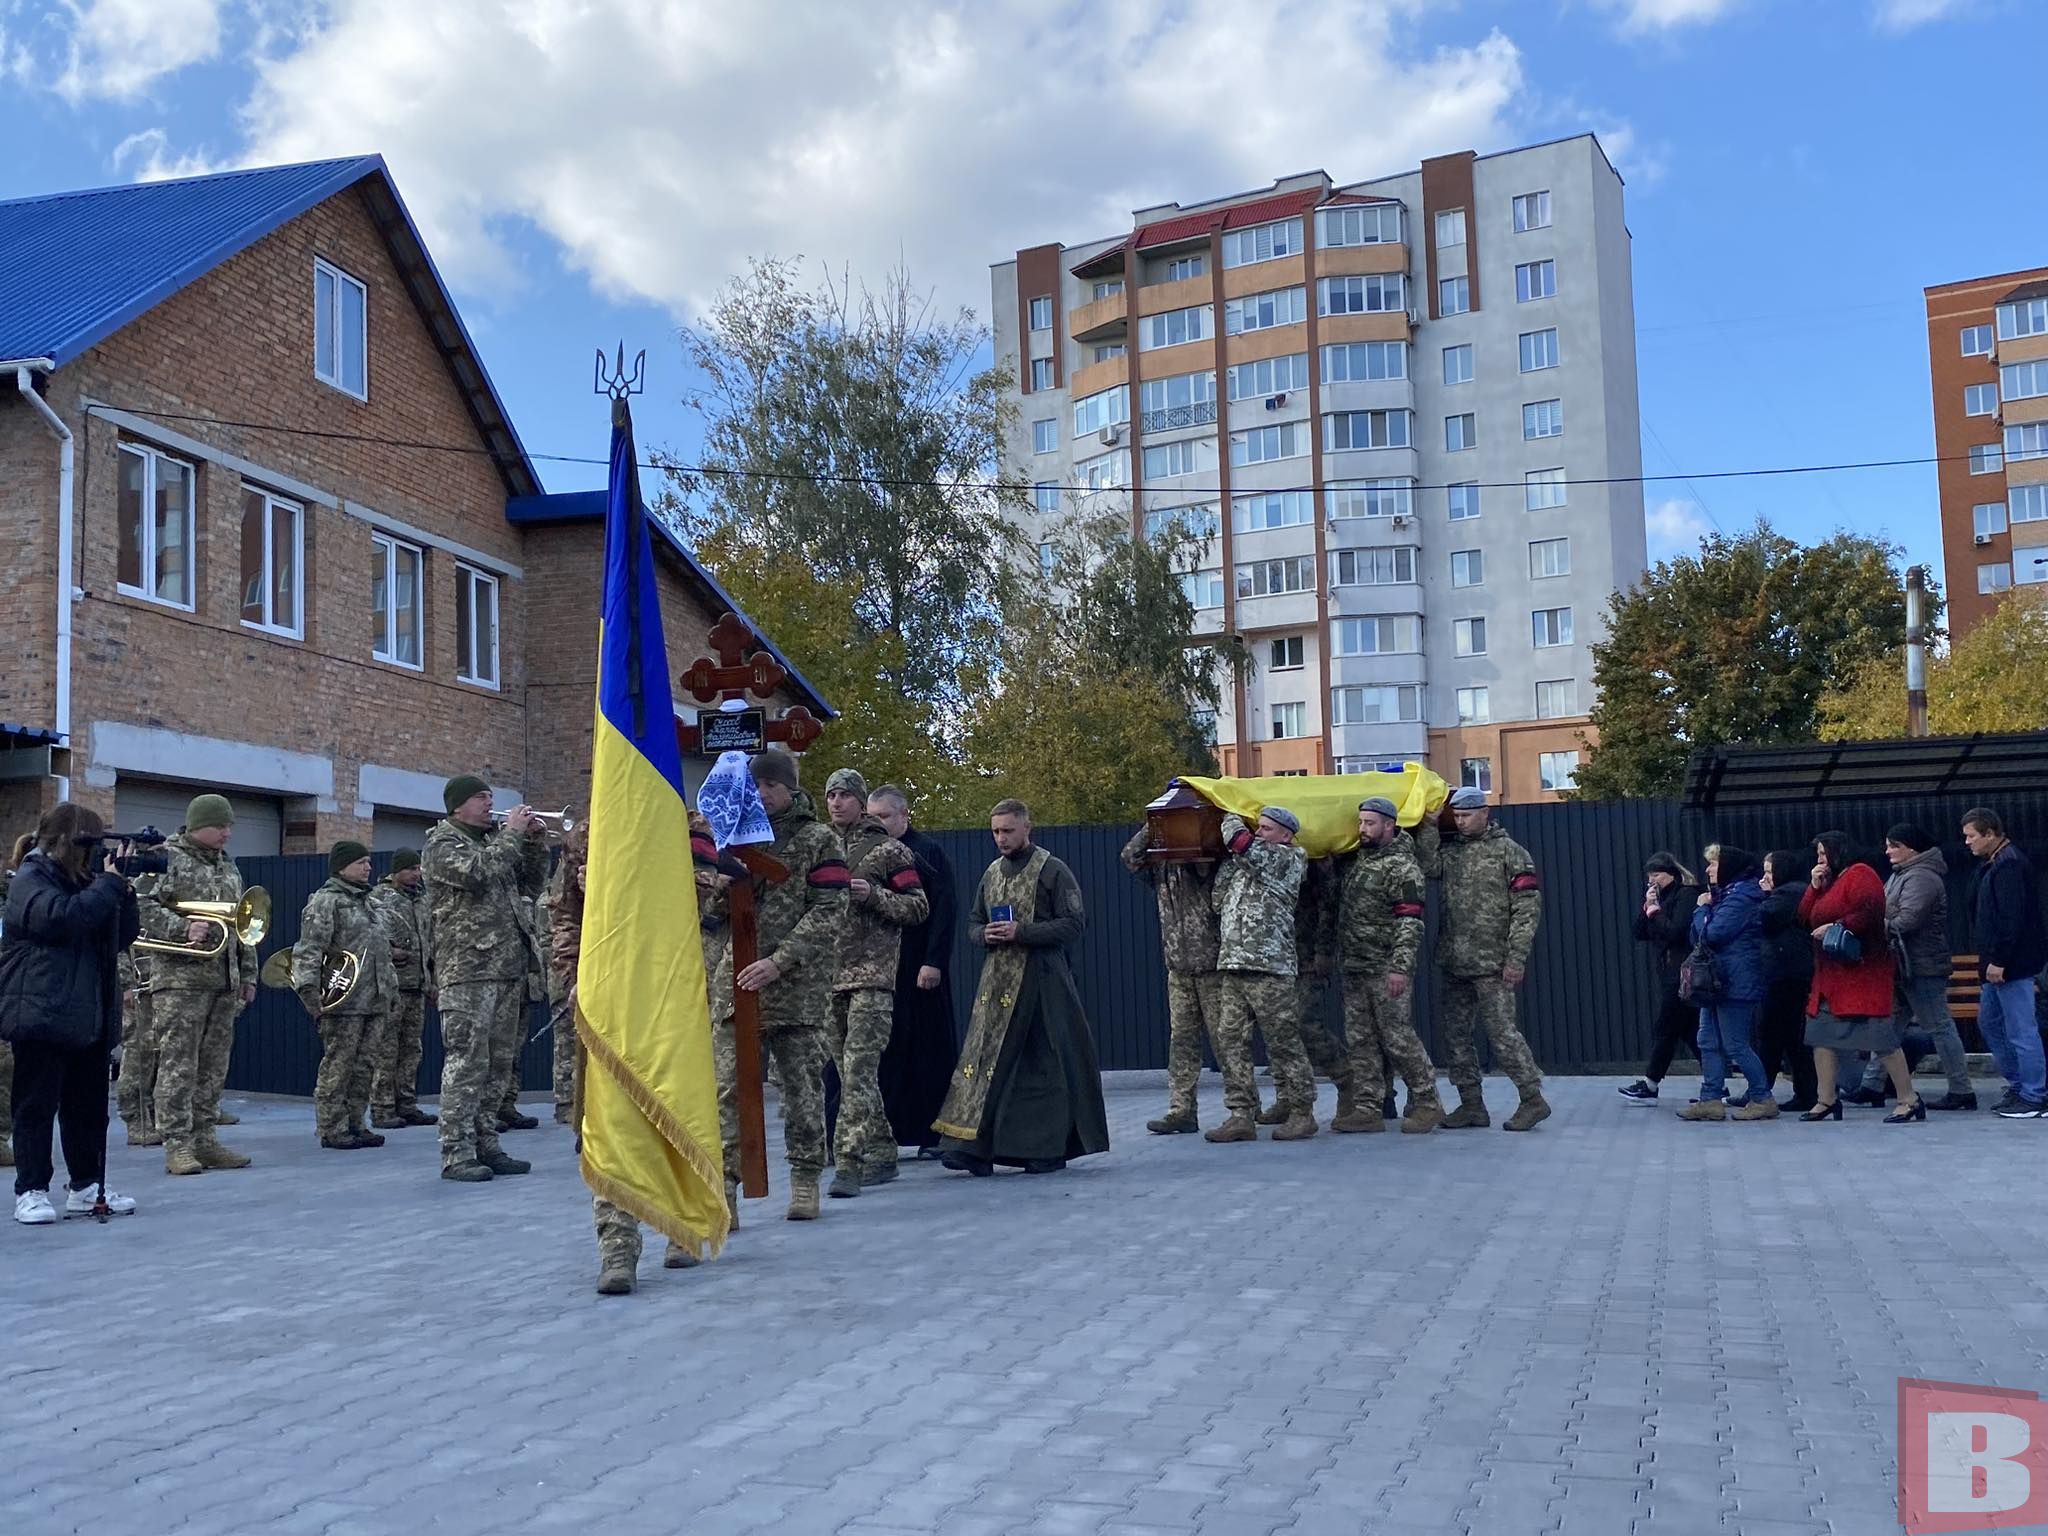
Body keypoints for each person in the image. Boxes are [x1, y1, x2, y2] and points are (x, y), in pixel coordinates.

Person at [709, 750, 846, 1221]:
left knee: (800, 1088)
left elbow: (829, 909)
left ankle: (806, 1179)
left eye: (771, 785)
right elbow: (710, 917)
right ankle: (723, 1187)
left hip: (796, 988)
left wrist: (780, 961)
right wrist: (720, 886)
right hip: (738, 981)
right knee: (726, 1088)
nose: (763, 794)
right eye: (757, 785)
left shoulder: (818, 838)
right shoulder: (731, 837)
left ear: (790, 789)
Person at [936, 799, 1108, 1174]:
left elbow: (1074, 924)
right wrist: (986, 934)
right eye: (996, 831)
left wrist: (1023, 932)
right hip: (996, 983)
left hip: (1044, 981)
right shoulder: (992, 872)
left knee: (1042, 1063)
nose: (1001, 838)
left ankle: (1043, 1149)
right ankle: (971, 1147)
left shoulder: (1052, 870)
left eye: (1008, 831)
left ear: (1027, 827)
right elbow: (972, 922)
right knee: (983, 1064)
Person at [1, 805, 142, 1224]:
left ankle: (85, 1186)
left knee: (88, 1107)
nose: (92, 854)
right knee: (35, 1105)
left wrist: (124, 893)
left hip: (88, 1011)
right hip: (40, 1010)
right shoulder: (31, 878)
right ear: (64, 842)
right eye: (88, 844)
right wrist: (108, 887)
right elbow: (63, 920)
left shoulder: (91, 883)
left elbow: (121, 937)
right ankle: (31, 1190)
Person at [425, 775, 549, 1182]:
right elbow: (478, 873)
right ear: (457, 806)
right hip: (468, 972)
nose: (488, 804)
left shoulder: (492, 841)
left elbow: (532, 884)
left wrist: (532, 842)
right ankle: (456, 1152)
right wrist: (512, 835)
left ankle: (487, 1144)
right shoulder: (442, 844)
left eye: (491, 798)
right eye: (480, 798)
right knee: (466, 1062)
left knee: (498, 1064)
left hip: (506, 968)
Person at [820, 768, 928, 1199]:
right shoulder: (820, 847)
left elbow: (918, 907)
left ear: (861, 801)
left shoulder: (889, 852)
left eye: (845, 795)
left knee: (860, 1067)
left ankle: (848, 1160)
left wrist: (874, 896)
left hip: (872, 977)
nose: (836, 802)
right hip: (829, 978)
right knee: (848, 1074)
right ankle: (883, 1150)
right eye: (830, 795)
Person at [139, 794, 259, 1175]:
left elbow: (245, 925)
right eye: (220, 826)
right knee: (179, 1064)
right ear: (197, 825)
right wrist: (182, 928)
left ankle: (205, 1139)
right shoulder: (165, 858)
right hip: (180, 982)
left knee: (213, 1065)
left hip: (222, 979)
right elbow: (140, 904)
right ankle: (177, 1144)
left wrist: (248, 974)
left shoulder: (229, 867)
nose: (227, 833)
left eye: (229, 826)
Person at [1431, 786, 1551, 1132]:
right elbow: (1427, 863)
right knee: (1454, 1035)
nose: (1462, 822)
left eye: (1467, 815)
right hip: (1455, 960)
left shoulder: (1510, 853)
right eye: (1457, 816)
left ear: (1485, 813)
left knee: (1502, 1034)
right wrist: (1428, 825)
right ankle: (1472, 1105)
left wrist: (1516, 958)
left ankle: (1532, 1099)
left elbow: (1527, 910)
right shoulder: (1451, 853)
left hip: (1493, 962)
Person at [1203, 807, 1316, 1144]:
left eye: (1267, 829)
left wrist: (1230, 813)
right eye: (1259, 827)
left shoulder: (1290, 858)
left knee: (1283, 1042)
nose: (1260, 833)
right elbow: (1217, 902)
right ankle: (1241, 1113)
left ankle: (1301, 1112)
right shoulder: (1244, 863)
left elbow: (1239, 841)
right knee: (1230, 1040)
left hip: (1271, 967)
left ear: (1286, 834)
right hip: (1234, 964)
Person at [1333, 797, 1444, 1134]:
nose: (1363, 829)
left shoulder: (1402, 867)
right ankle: (1368, 1108)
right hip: (1354, 967)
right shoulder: (1357, 862)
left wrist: (1400, 968)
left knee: (1397, 1038)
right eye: (1361, 823)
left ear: (1389, 825)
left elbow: (1410, 923)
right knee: (1361, 1041)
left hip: (1385, 967)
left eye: (1370, 823)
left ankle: (1427, 1103)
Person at [1847, 825, 1976, 1112]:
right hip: (1902, 964)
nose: (1888, 851)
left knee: (1939, 1026)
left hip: (1921, 965)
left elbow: (1907, 919)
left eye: (1894, 845)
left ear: (1912, 848)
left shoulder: (1922, 877)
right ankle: (1872, 1084)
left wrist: (1871, 923)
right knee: (1887, 1025)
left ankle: (1961, 1089)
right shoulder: (1902, 874)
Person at [1796, 830, 1916, 1123]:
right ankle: (1826, 1100)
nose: (1820, 861)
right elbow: (1803, 918)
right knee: (1820, 1034)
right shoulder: (1830, 882)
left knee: (1879, 1035)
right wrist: (1813, 888)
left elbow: (1870, 912)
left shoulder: (1860, 874)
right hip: (1831, 975)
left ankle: (1908, 1100)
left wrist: (1835, 926)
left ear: (1839, 851)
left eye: (1824, 854)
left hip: (1862, 971)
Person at [867, 786, 959, 1157]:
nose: (879, 823)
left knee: (930, 1050)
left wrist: (934, 961)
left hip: (920, 965)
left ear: (904, 815)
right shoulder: (869, 854)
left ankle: (935, 1133)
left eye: (885, 816)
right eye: (872, 817)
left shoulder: (926, 852)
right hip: (883, 968)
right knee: (890, 1051)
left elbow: (944, 909)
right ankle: (891, 1132)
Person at [292, 841, 400, 1150]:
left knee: (365, 1065)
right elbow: (310, 948)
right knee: (338, 1064)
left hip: (374, 999)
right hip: (343, 1000)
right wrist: (311, 994)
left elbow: (382, 953)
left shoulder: (369, 903)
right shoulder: (327, 902)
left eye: (368, 861)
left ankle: (356, 1122)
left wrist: (390, 992)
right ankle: (332, 1127)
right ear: (341, 867)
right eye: (361, 862)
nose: (368, 867)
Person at [1121, 814, 1223, 1135]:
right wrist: (1158, 823)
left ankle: (1243, 1107)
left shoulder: (1204, 861)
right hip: (1178, 966)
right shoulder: (1161, 867)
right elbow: (1129, 856)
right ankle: (1182, 1110)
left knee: (1226, 1040)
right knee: (1182, 1040)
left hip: (1213, 965)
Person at [1676, 846, 1775, 1122]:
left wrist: (1701, 910)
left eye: (1713, 864)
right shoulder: (1727, 895)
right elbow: (1702, 935)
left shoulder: (1741, 896)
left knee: (1735, 1044)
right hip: (1717, 981)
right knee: (1707, 1039)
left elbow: (1712, 934)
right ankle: (1710, 1098)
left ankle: (1762, 1098)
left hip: (1735, 980)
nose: (1707, 869)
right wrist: (1705, 916)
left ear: (1728, 866)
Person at [1960, 807, 2047, 1118]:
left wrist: (1999, 961)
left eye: (1971, 836)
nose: (1967, 842)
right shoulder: (1995, 864)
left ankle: (2035, 1095)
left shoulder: (2009, 866)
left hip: (2010, 966)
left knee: (2021, 1029)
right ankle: (2021, 1085)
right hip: (1998, 967)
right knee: (1991, 1023)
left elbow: (2012, 919)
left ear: (1991, 834)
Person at [1618, 852, 1699, 1104]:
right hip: (1668, 974)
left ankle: (1650, 1084)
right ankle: (1716, 1082)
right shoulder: (1660, 899)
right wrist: (1648, 908)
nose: (1652, 880)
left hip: (1682, 973)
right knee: (1689, 1031)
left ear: (1671, 874)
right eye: (1649, 876)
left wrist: (1655, 913)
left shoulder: (1686, 894)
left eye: (1657, 875)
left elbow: (1676, 931)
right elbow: (1640, 932)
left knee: (1666, 1028)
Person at [366, 850, 436, 1129]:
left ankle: (406, 1103)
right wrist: (390, 951)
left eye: (418, 868)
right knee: (387, 1048)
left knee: (412, 1048)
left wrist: (431, 981)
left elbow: (431, 940)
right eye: (409, 869)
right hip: (392, 987)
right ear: (396, 871)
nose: (415, 874)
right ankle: (382, 1108)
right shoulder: (378, 898)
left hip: (417, 984)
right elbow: (369, 936)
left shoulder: (422, 899)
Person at [1756, 850, 1819, 1112]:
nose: (1765, 878)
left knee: (1776, 1033)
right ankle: (1800, 1092)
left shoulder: (1788, 893)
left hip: (1788, 972)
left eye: (1770, 872)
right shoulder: (1795, 890)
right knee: (1789, 1036)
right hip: (1790, 970)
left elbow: (1763, 918)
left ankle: (1762, 1089)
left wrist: (1763, 895)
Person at [493, 895, 545, 1134]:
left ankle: (507, 1104)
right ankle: (489, 1109)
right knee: (494, 1051)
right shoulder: (494, 896)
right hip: (500, 984)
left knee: (514, 1051)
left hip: (523, 984)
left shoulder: (524, 899)